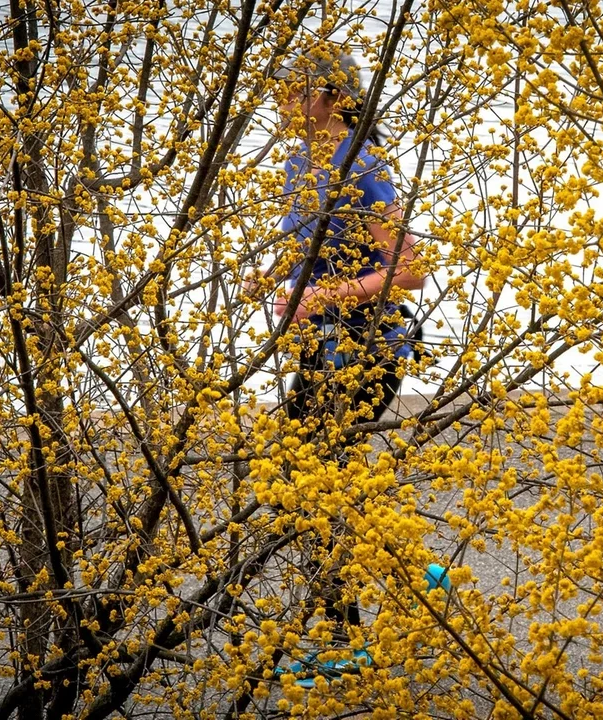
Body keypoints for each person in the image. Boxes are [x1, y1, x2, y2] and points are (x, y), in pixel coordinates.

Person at [245, 47, 427, 674]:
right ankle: (415, 574)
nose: (278, 98)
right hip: (320, 349)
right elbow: (312, 243)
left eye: (291, 87)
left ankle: (343, 644)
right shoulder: (302, 161)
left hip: (368, 349)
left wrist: (329, 294)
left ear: (329, 96)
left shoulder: (360, 163)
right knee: (309, 478)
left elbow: (411, 271)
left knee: (318, 483)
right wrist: (271, 277)